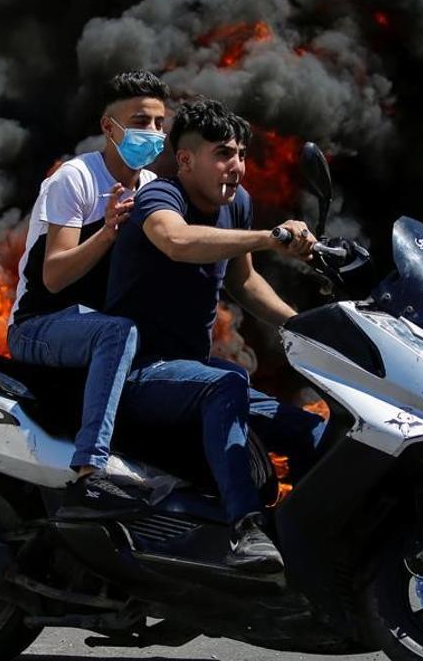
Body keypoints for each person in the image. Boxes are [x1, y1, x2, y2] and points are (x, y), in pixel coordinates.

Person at [106, 99, 326, 572]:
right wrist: (271, 238)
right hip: (136, 374)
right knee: (227, 381)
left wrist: (304, 328)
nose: (238, 167)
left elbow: (242, 281)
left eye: (242, 154)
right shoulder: (159, 198)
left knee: (316, 432)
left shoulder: (237, 204)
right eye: (224, 154)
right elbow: (178, 242)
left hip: (191, 374)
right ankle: (245, 529)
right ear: (185, 160)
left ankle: (314, 544)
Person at [7, 71, 169, 518]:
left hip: (100, 327)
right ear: (108, 127)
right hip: (39, 326)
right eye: (141, 121)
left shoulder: (153, 187)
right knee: (118, 334)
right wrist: (108, 232)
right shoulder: (74, 179)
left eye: (159, 124)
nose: (152, 134)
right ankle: (89, 473)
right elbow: (55, 276)